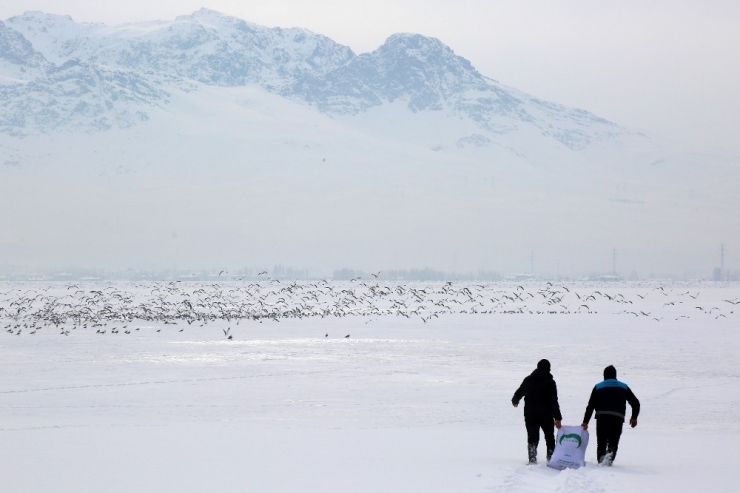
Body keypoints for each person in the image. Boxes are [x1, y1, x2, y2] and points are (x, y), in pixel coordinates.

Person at [581, 365, 640, 466]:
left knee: (601, 443)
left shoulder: (598, 386)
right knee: (613, 443)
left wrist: (585, 421)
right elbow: (636, 403)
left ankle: (601, 463)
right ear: (615, 375)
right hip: (617, 419)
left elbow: (590, 406)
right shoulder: (623, 386)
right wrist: (634, 417)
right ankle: (608, 463)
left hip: (602, 419)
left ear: (604, 375)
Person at [512, 359, 563, 464]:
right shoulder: (550, 382)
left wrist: (515, 400)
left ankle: (532, 458)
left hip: (530, 414)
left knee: (532, 437)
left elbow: (520, 391)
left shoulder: (528, 380)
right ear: (549, 369)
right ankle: (551, 458)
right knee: (549, 437)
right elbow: (553, 400)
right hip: (546, 414)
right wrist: (557, 417)